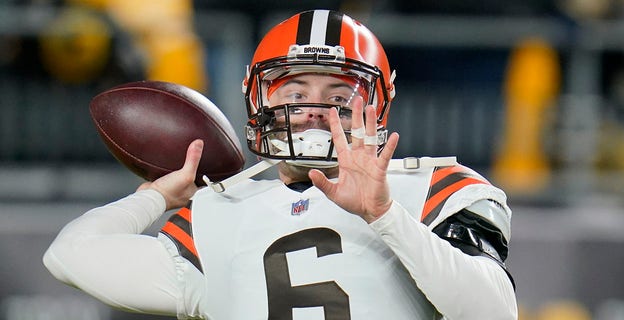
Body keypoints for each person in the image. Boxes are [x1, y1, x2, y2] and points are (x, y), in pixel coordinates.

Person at [43, 9, 517, 320]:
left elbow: (493, 313)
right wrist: (157, 196)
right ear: (258, 98)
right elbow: (69, 256)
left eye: (338, 95)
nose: (313, 109)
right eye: (295, 93)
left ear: (378, 106)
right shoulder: (217, 212)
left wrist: (385, 216)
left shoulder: (433, 187)